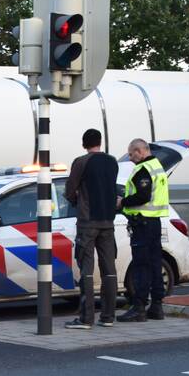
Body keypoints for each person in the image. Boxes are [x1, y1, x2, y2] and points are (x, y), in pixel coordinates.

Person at [63, 129, 119, 329]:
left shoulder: (81, 162)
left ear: (84, 143)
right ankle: (108, 316)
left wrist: (76, 201)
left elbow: (70, 189)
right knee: (109, 270)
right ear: (100, 142)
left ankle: (86, 318)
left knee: (86, 269)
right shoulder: (112, 162)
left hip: (87, 222)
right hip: (108, 221)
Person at [117, 138, 170, 322]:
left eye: (131, 154)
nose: (131, 158)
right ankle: (157, 306)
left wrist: (122, 202)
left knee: (141, 266)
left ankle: (139, 307)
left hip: (142, 224)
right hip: (154, 223)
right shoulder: (158, 167)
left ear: (140, 151)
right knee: (155, 264)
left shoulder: (143, 169)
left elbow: (143, 196)